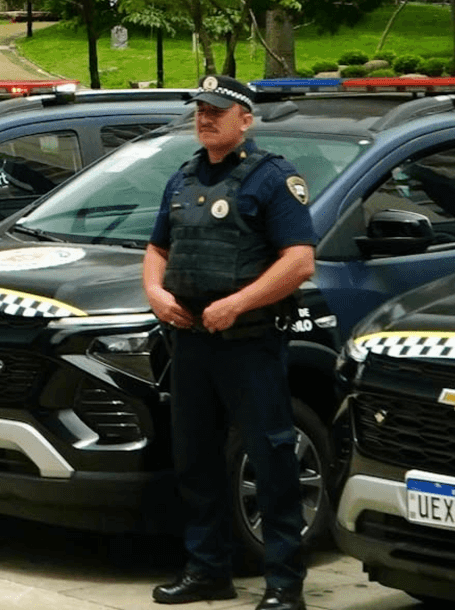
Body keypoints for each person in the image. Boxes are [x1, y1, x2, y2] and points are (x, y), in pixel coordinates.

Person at [142, 75, 316, 610]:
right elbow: (157, 249)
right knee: (196, 460)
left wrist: (238, 303)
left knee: (270, 459)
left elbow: (299, 261)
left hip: (250, 342)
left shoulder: (272, 179)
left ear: (245, 119)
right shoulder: (183, 178)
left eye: (216, 110)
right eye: (199, 109)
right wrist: (154, 292)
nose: (204, 117)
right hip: (191, 340)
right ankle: (208, 570)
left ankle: (284, 584)